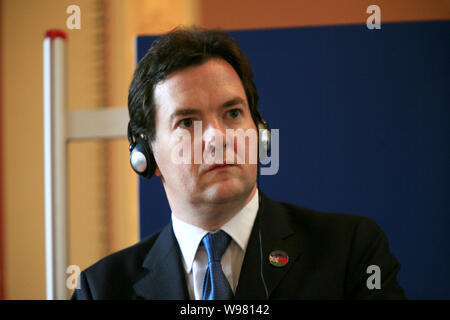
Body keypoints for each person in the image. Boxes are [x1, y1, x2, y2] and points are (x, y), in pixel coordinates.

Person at [72, 25, 405, 300]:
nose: (217, 137)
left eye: (232, 113)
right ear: (147, 156)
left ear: (258, 133)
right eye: (188, 122)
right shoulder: (101, 290)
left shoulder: (351, 253)